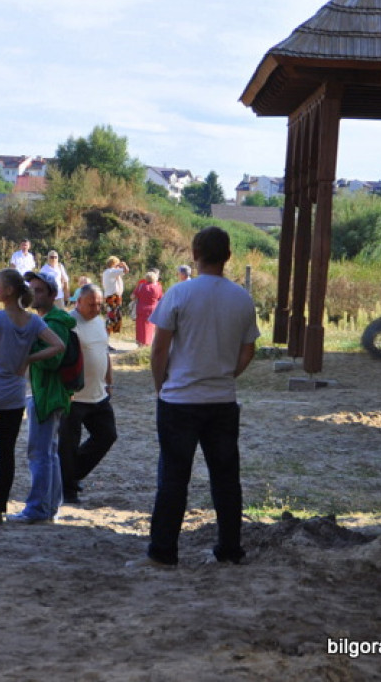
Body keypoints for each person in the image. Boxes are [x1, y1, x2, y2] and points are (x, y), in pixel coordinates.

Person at [138, 227, 259, 568]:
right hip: (221, 400)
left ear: (195, 253)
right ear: (228, 256)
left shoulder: (179, 294)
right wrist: (226, 374)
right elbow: (249, 350)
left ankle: (163, 553)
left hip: (180, 400)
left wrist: (161, 386)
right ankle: (230, 550)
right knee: (226, 479)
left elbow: (159, 347)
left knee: (173, 479)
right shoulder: (241, 298)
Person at [0, 269, 65, 524]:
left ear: (8, 291)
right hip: (14, 396)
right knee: (6, 455)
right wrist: (29, 358)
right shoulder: (33, 322)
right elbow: (58, 346)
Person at [7, 270, 74, 524]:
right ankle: (49, 507)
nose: (33, 294)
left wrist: (27, 353)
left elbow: (55, 357)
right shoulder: (51, 319)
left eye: (39, 291)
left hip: (47, 394)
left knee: (39, 453)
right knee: (49, 452)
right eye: (31, 289)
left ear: (53, 295)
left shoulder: (54, 322)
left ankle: (37, 510)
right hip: (50, 393)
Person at [58, 284, 117, 504]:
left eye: (100, 304)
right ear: (78, 302)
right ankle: (68, 490)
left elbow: (104, 351)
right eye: (92, 304)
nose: (96, 308)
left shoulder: (100, 322)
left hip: (99, 393)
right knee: (68, 444)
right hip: (74, 396)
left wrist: (109, 382)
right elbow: (62, 359)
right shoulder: (68, 323)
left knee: (107, 435)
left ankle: (71, 475)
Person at [132, 270, 164, 347]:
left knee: (140, 326)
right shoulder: (158, 287)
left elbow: (132, 297)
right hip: (152, 310)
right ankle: (148, 343)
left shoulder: (141, 286)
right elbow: (161, 298)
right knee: (150, 327)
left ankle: (140, 343)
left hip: (141, 309)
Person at [101, 256, 130, 334]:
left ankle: (111, 330)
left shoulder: (110, 272)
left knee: (115, 314)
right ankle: (108, 330)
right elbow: (126, 270)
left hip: (115, 296)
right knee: (112, 314)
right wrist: (123, 264)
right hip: (112, 296)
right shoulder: (111, 271)